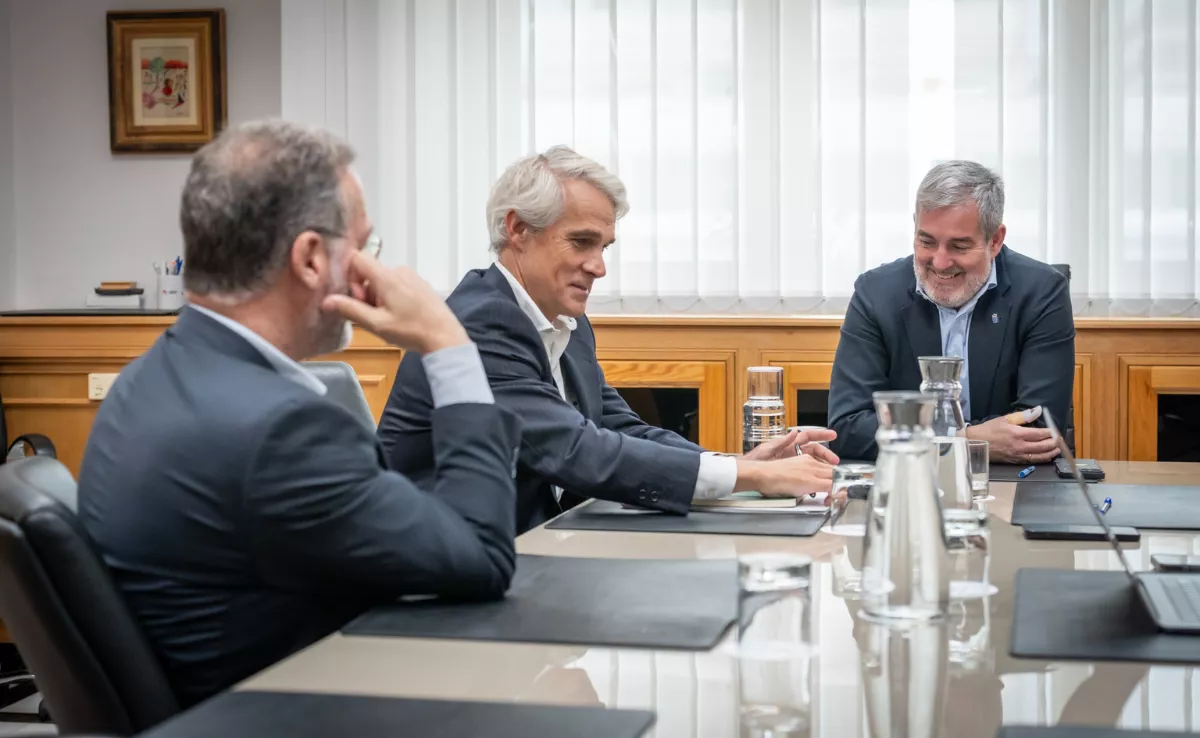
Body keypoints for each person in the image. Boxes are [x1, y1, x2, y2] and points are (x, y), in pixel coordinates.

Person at [77, 120, 522, 707]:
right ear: (311, 258)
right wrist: (448, 343)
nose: (371, 271)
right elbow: (483, 557)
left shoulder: (152, 377)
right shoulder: (281, 433)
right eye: (364, 248)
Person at [378, 145, 838, 534]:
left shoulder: (567, 321)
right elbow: (576, 450)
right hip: (446, 566)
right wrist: (748, 474)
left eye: (604, 247)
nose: (599, 267)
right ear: (518, 230)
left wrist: (742, 464)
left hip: (538, 548)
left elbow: (621, 429)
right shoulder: (480, 321)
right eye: (581, 242)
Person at [827, 160, 1074, 463]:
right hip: (909, 474)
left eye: (959, 246)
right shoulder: (876, 294)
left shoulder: (1041, 291)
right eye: (927, 241)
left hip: (1010, 479)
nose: (940, 262)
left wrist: (922, 436)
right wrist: (963, 440)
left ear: (995, 240)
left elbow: (1038, 429)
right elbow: (847, 427)